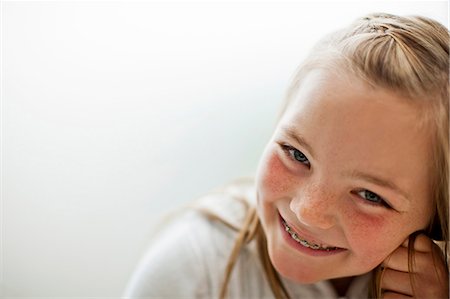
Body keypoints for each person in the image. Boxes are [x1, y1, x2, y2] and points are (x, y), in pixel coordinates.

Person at [123, 13, 449, 298]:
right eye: (297, 154)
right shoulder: (195, 268)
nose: (306, 211)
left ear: (437, 221)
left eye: (369, 195)